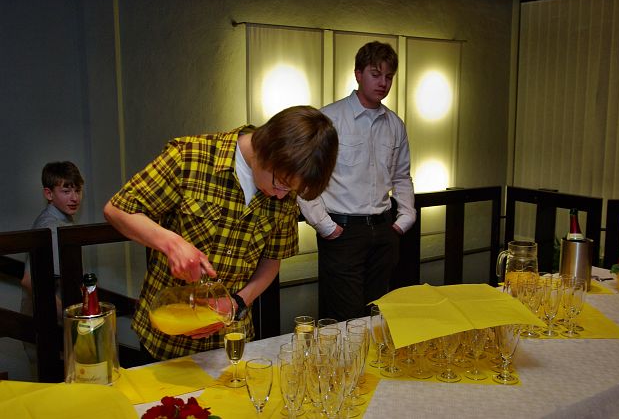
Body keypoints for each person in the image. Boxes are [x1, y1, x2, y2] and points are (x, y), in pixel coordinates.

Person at [104, 105, 338, 360]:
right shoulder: (189, 157)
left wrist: (237, 302)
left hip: (231, 339)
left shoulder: (285, 188)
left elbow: (272, 260)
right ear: (267, 149)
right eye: (280, 184)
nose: (281, 195)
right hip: (165, 340)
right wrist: (171, 243)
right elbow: (116, 209)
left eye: (290, 190)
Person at [297, 41, 416, 321]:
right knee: (344, 319)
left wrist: (406, 217)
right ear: (358, 74)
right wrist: (324, 225)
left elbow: (401, 176)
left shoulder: (395, 124)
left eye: (389, 76)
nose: (383, 83)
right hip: (343, 232)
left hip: (384, 231)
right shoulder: (329, 119)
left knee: (378, 315)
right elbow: (305, 178)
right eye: (376, 74)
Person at [21, 161, 84, 374]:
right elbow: (29, 281)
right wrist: (71, 321)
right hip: (48, 323)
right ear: (49, 194)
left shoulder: (60, 221)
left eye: (77, 190)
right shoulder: (52, 226)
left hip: (51, 321)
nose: (74, 198)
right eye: (66, 191)